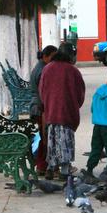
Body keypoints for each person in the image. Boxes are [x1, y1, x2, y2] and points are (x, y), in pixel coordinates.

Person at [39, 42, 85, 180]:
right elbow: (80, 93)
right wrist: (74, 105)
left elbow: (42, 91)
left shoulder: (47, 69)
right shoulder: (73, 71)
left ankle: (51, 168)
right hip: (66, 112)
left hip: (51, 111)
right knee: (65, 141)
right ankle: (64, 170)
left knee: (52, 140)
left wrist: (48, 104)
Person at [29, 45, 58, 175]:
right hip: (40, 108)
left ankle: (42, 166)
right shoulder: (43, 70)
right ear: (45, 56)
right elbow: (44, 93)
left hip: (37, 106)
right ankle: (43, 166)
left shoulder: (41, 67)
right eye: (52, 57)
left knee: (43, 138)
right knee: (44, 139)